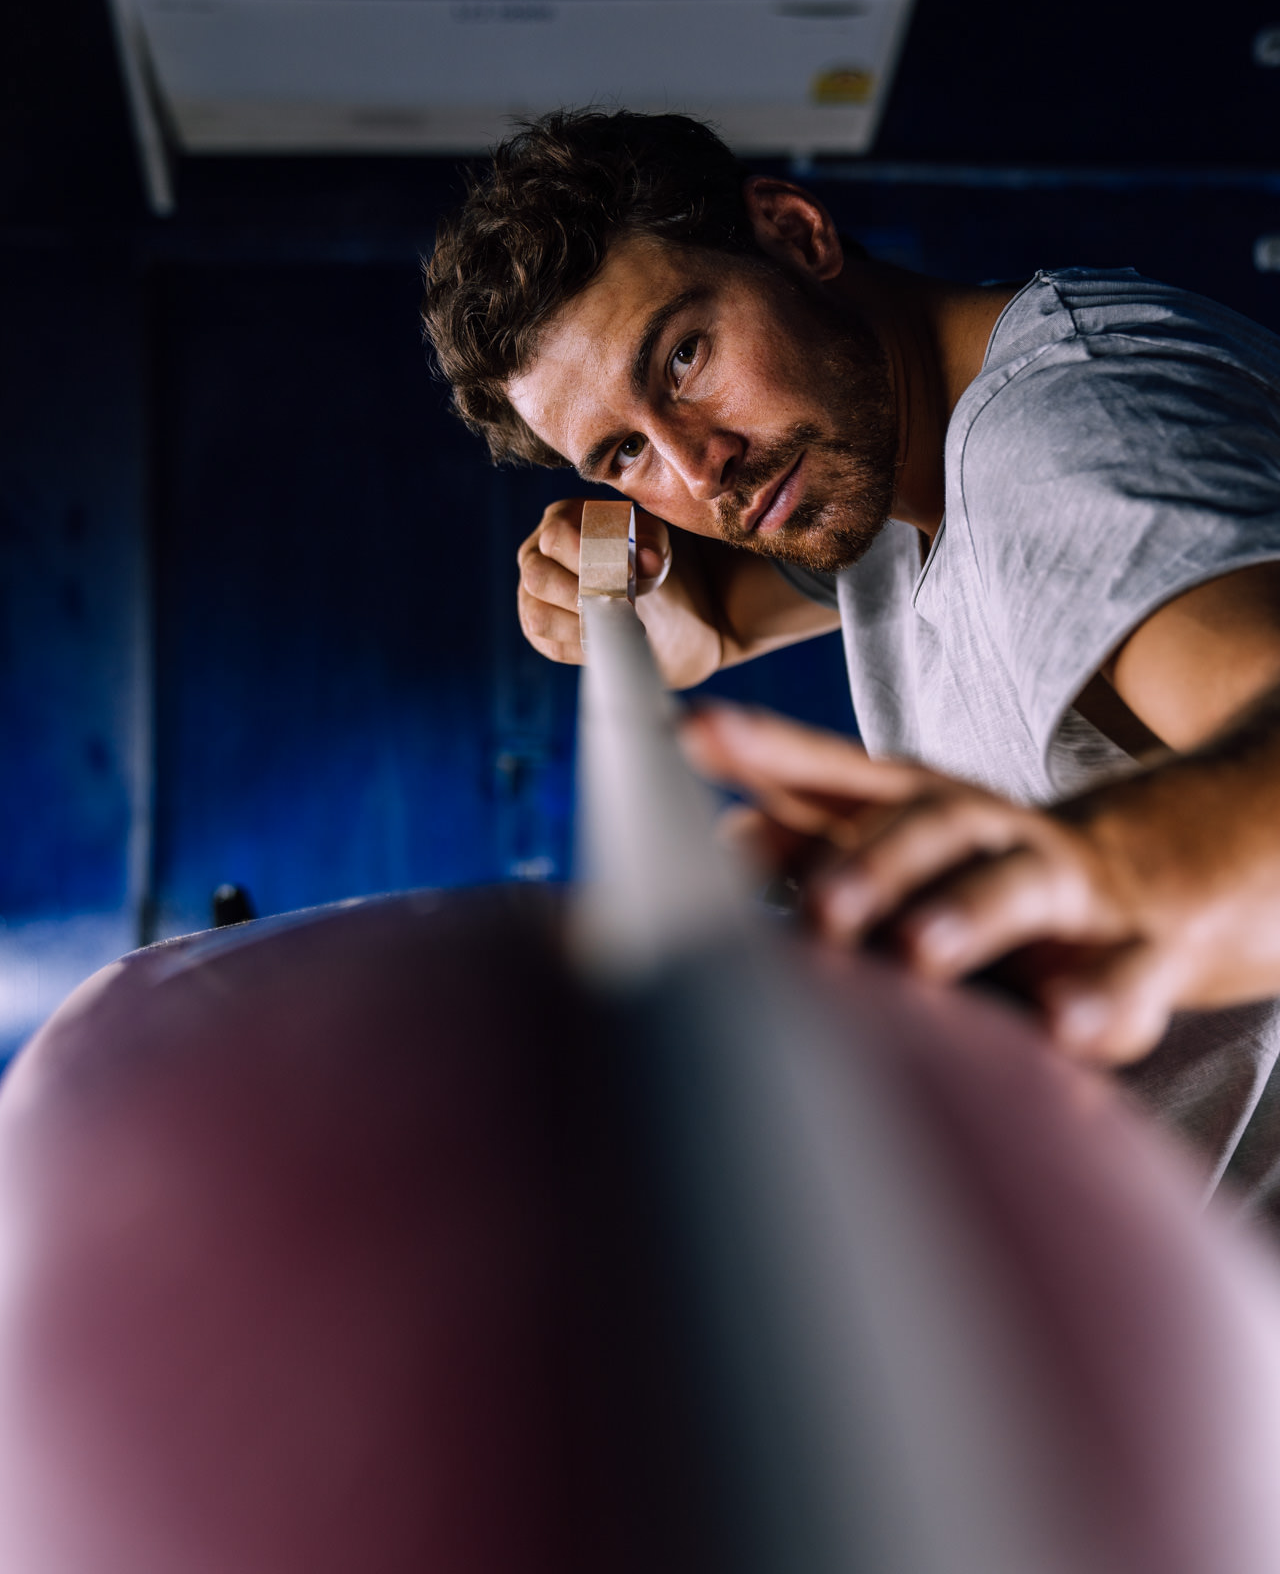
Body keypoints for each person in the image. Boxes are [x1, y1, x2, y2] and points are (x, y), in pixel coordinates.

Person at [422, 109, 1280, 1205]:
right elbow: (714, 626)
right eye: (624, 451)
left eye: (683, 356)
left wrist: (1098, 874)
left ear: (794, 233)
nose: (698, 468)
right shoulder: (876, 477)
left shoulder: (1062, 446)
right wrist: (627, 592)